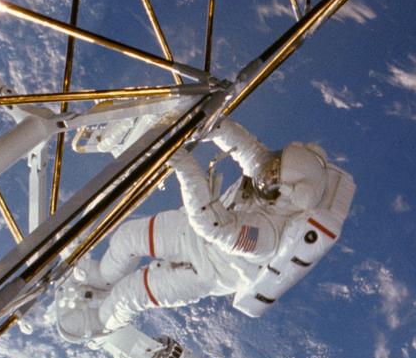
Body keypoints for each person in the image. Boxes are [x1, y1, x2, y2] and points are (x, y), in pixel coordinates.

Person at [56, 120, 354, 340]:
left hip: (203, 271)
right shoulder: (274, 181)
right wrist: (209, 123)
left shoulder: (267, 236)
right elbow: (249, 151)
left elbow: (214, 227)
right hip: (191, 232)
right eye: (271, 167)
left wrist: (182, 163)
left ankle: (99, 324)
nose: (265, 175)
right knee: (127, 238)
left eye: (272, 175)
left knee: (131, 292)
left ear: (288, 192)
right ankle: (100, 278)